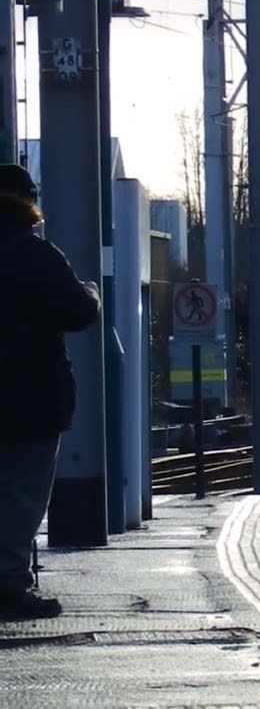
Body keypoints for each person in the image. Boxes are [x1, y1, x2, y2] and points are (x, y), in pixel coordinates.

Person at [0, 164, 101, 620]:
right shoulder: (34, 254)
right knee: (21, 496)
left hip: (28, 400)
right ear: (27, 202)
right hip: (30, 401)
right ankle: (8, 586)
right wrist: (92, 294)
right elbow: (77, 311)